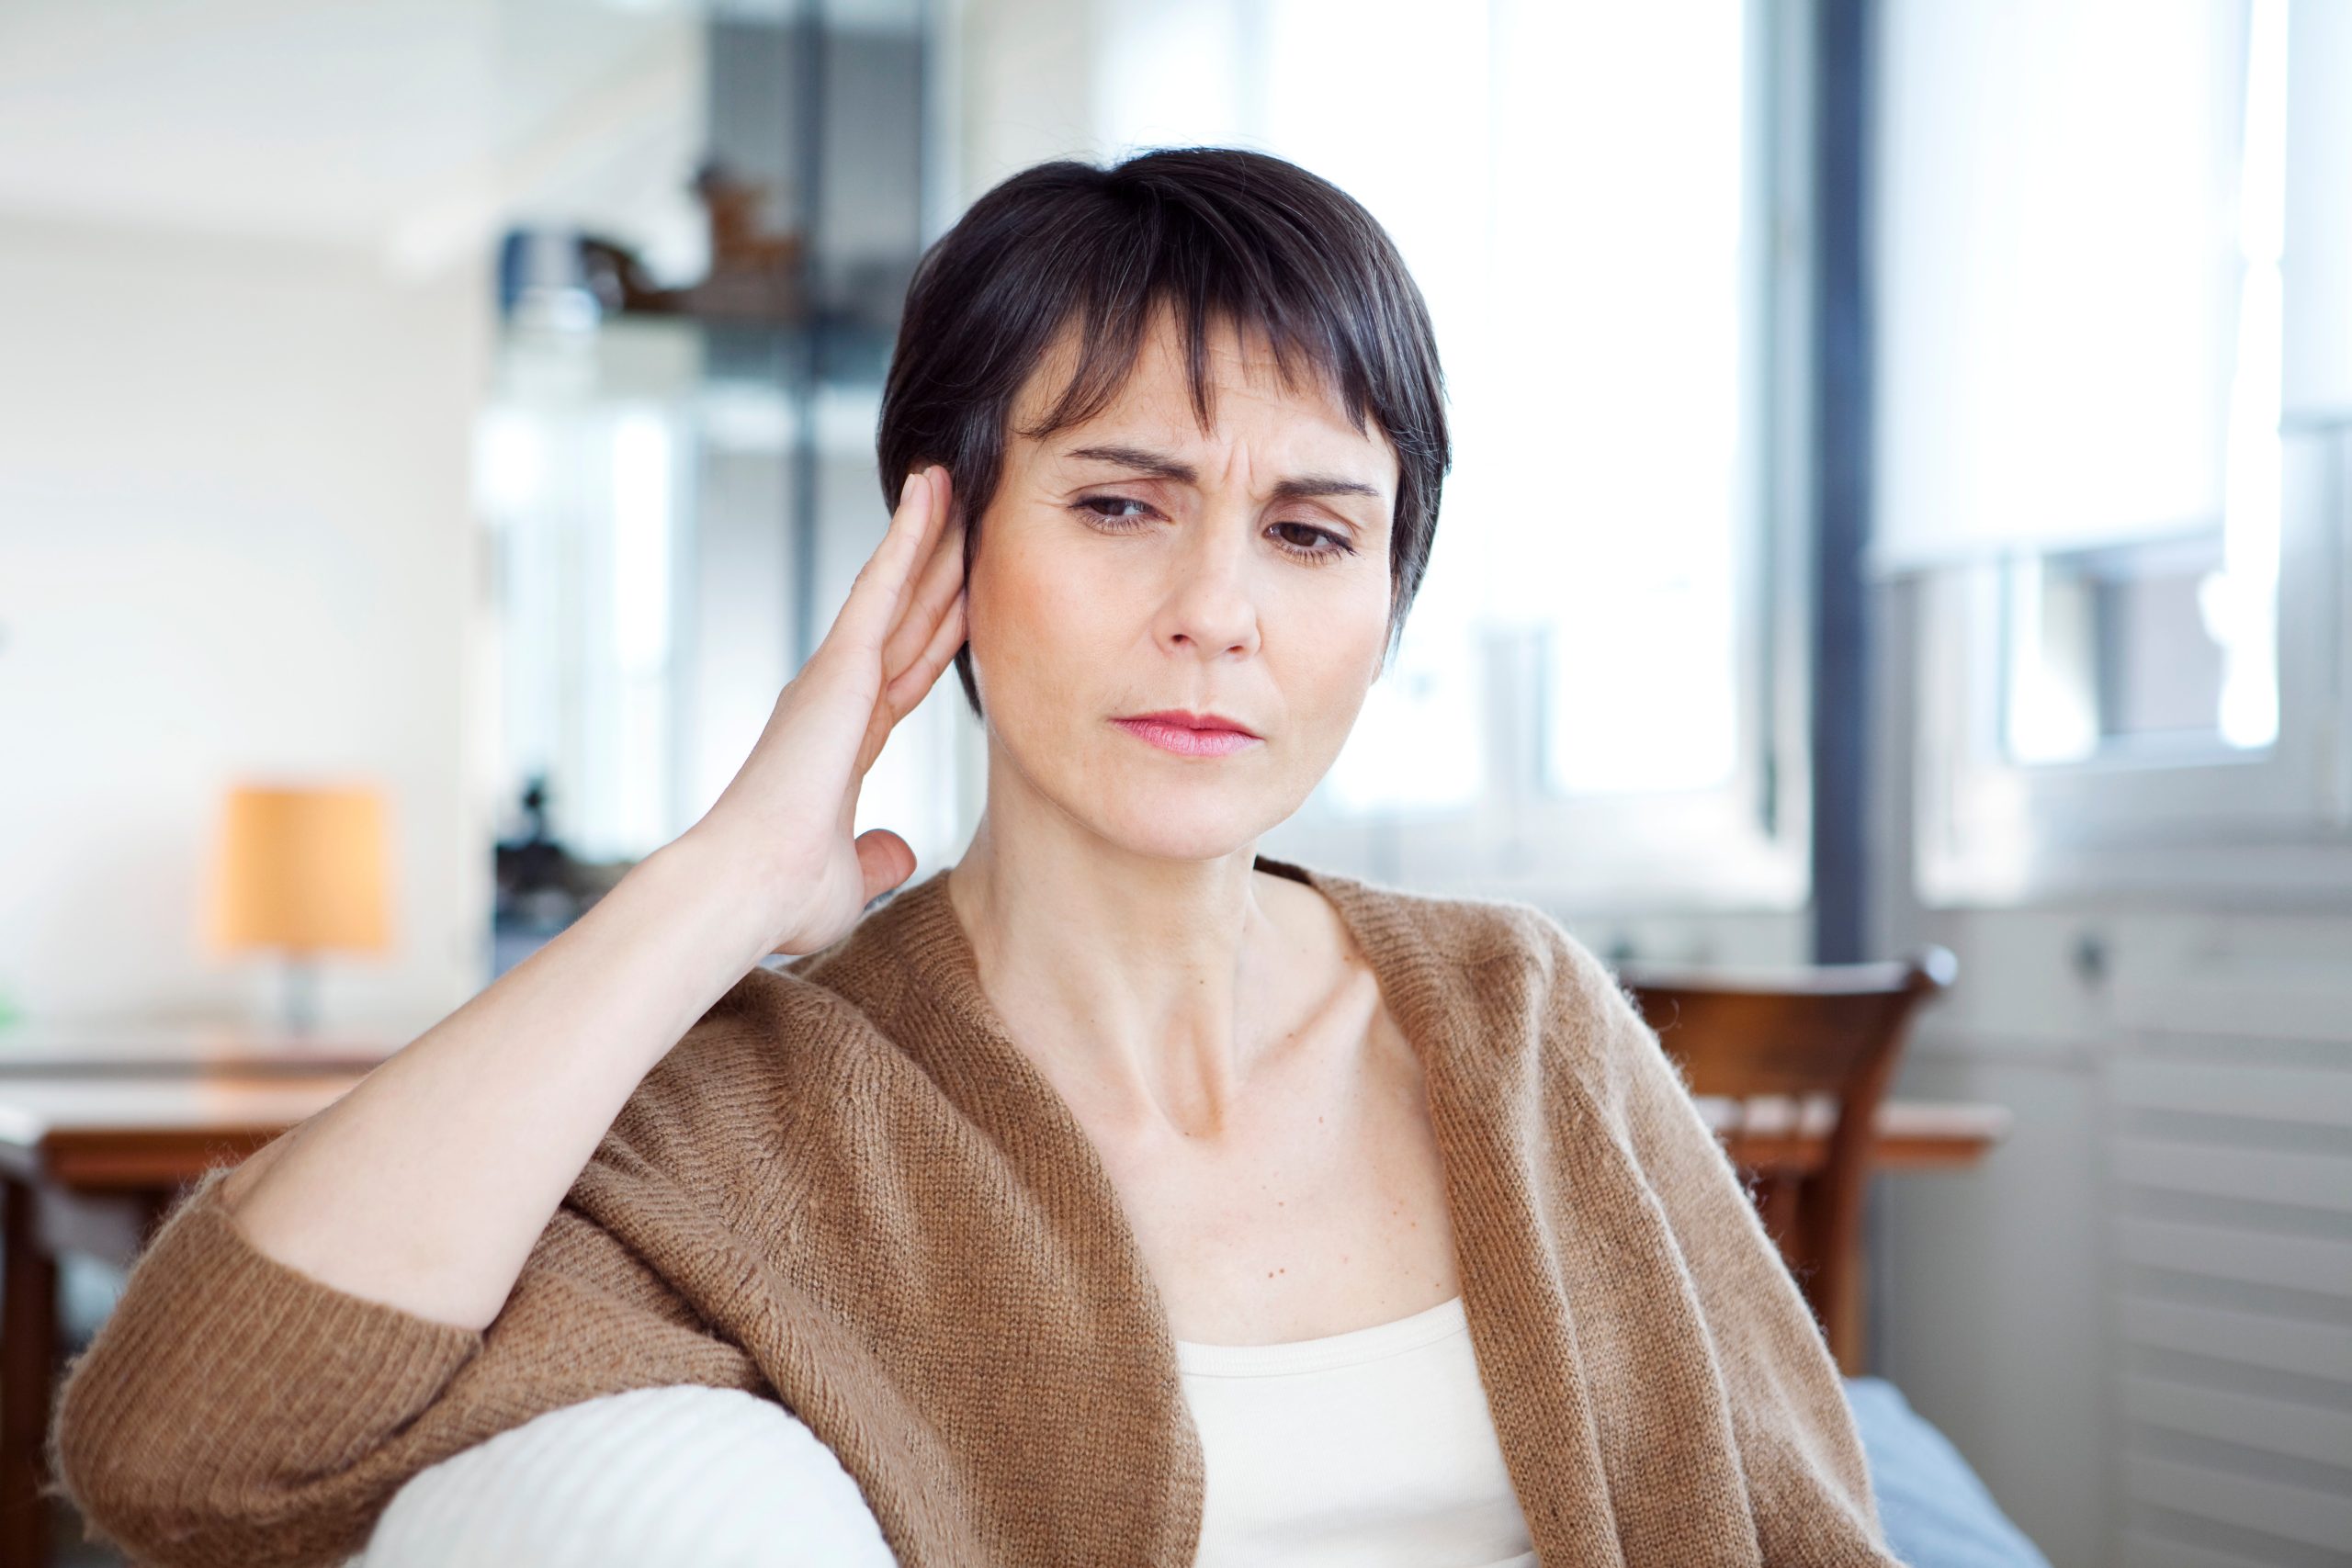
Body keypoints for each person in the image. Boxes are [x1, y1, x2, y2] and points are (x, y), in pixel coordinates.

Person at [48, 147, 1901, 1568]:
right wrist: (715, 883)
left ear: (1387, 596)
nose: (1214, 613)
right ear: (940, 549)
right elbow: (185, 1449)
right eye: (1118, 502)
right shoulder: (763, 1112)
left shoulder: (1518, 1012)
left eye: (1312, 533)